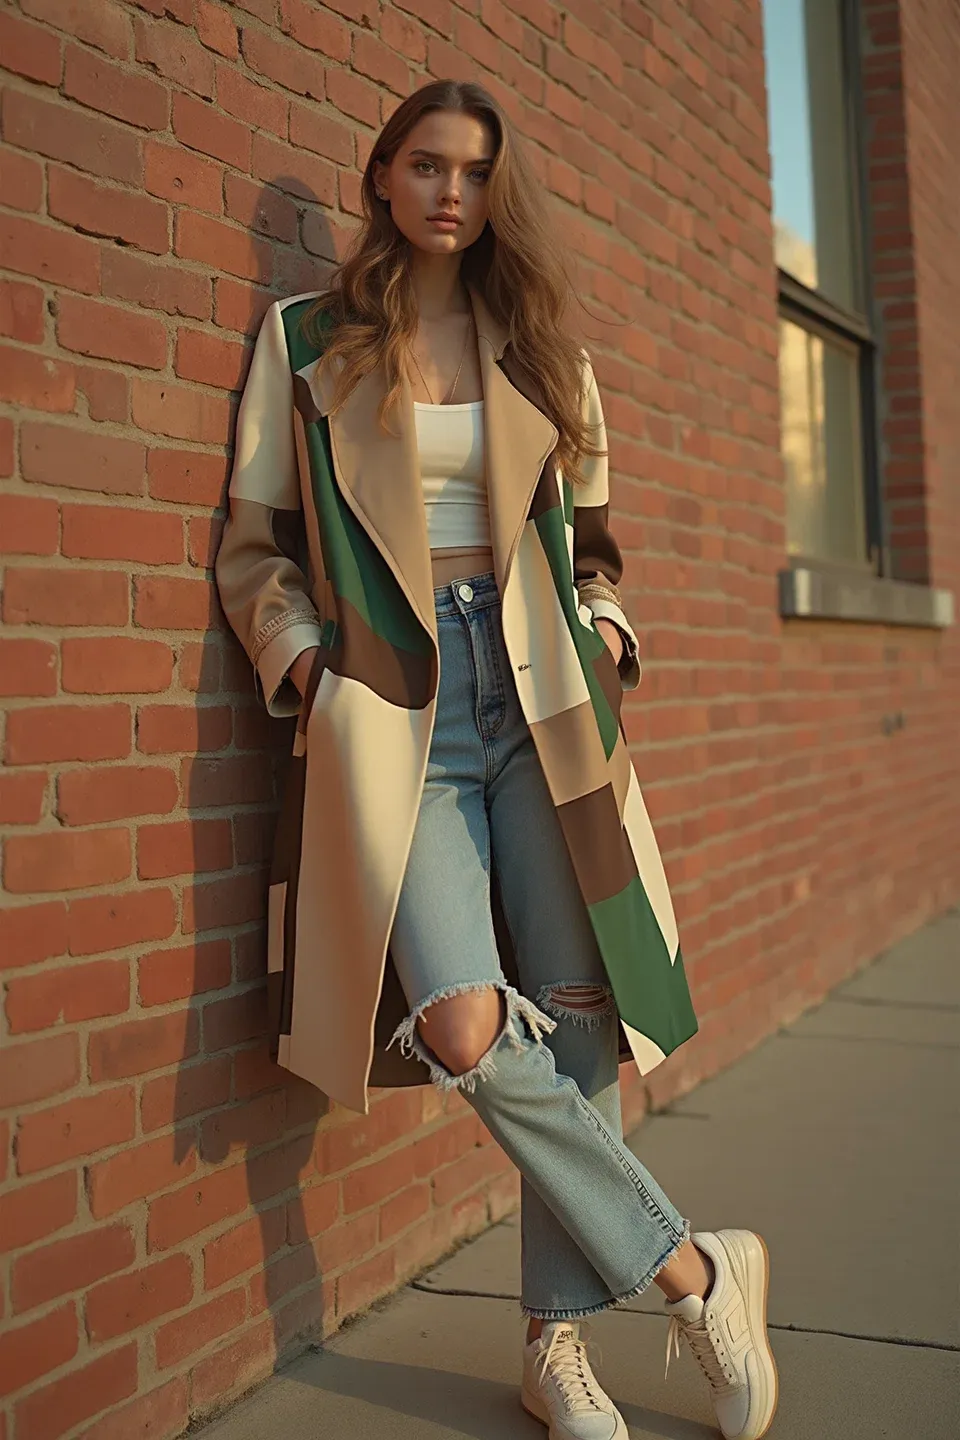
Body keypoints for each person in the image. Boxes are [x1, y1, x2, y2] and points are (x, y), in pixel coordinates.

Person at [215, 78, 778, 1440]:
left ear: (494, 188)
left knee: (575, 1019)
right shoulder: (306, 342)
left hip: (541, 704)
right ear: (382, 177)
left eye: (472, 171)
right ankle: (698, 1272)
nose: (448, 193)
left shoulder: (545, 351)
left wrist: (606, 636)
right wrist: (302, 660)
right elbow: (253, 547)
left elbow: (595, 548)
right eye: (424, 166)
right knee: (467, 1021)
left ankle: (556, 1348)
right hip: (399, 708)